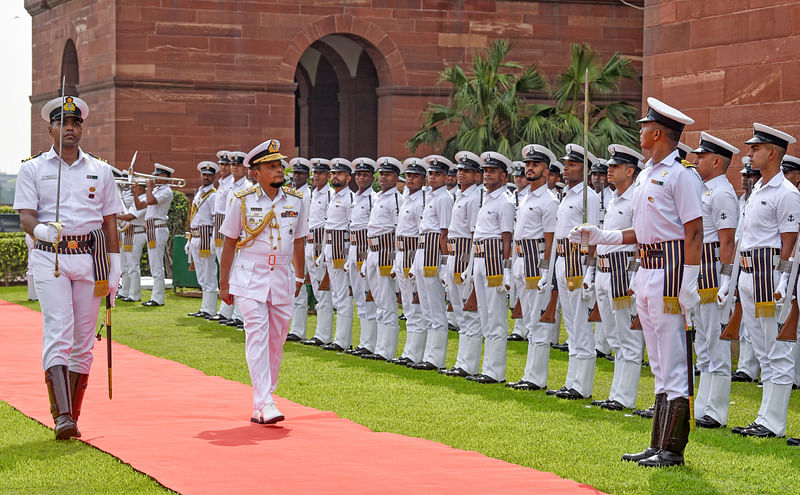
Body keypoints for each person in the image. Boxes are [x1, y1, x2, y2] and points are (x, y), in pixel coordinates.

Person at [573, 97, 702, 467]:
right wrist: (600, 235)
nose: (640, 130)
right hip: (646, 269)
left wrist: (689, 282)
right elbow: (642, 233)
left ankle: (673, 449)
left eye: (645, 126)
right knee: (659, 363)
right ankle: (657, 443)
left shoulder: (681, 174)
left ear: (658, 133)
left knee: (674, 361)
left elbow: (693, 231)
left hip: (670, 273)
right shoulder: (647, 173)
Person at [14, 95, 122, 439]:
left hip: (91, 259)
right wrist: (41, 230)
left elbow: (109, 222)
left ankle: (73, 414)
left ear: (82, 128)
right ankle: (61, 416)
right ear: (51, 129)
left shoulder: (101, 170)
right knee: (59, 329)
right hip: (51, 257)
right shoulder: (32, 168)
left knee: (84, 339)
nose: (70, 129)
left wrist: (115, 266)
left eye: (76, 123)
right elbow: (26, 217)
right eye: (63, 123)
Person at [218, 139, 306, 424]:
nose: (279, 170)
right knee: (257, 334)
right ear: (255, 173)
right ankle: (264, 401)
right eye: (272, 166)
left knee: (277, 339)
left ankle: (266, 396)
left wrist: (300, 274)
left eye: (280, 165)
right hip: (249, 275)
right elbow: (229, 243)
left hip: (281, 276)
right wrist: (224, 283)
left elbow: (299, 240)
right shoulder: (241, 201)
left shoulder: (296, 200)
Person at [730, 123, 800, 439]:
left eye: (756, 148)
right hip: (749, 274)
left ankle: (774, 422)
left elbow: (790, 242)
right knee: (762, 351)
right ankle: (764, 418)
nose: (750, 152)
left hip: (769, 277)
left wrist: (784, 281)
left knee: (778, 350)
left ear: (772, 153)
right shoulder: (759, 188)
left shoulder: (786, 193)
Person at [689, 133, 739, 429]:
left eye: (702, 157)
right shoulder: (706, 189)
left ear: (717, 161)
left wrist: (725, 282)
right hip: (701, 271)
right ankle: (703, 405)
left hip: (714, 274)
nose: (696, 161)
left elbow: (728, 241)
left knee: (716, 344)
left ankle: (716, 411)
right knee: (704, 344)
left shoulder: (721, 192)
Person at [588, 144, 644, 410]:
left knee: (627, 336)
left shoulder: (637, 198)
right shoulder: (612, 198)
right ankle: (615, 393)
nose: (609, 170)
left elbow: (643, 239)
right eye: (609, 166)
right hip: (604, 268)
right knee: (612, 335)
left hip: (623, 269)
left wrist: (634, 274)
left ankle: (625, 397)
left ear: (630, 171)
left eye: (615, 167)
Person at [547, 143, 601, 400]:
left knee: (580, 322)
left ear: (585, 168)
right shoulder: (567, 195)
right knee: (570, 323)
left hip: (576, 260)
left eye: (572, 164)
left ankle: (582, 385)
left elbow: (592, 238)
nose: (566, 168)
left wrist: (589, 272)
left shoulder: (588, 196)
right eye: (565, 163)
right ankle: (571, 381)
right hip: (562, 257)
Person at [505, 144, 559, 390]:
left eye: (535, 165)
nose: (530, 168)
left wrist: (547, 271)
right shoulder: (525, 195)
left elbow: (550, 238)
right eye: (528, 164)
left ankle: (536, 378)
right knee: (528, 320)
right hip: (520, 259)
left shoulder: (549, 200)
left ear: (546, 172)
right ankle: (529, 375)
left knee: (538, 321)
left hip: (535, 261)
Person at [466, 151, 516, 384]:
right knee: (484, 315)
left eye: (492, 171)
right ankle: (486, 368)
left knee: (495, 316)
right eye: (485, 171)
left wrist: (506, 269)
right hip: (478, 257)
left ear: (503, 176)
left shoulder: (505, 201)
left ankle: (495, 371)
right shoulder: (484, 199)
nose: (487, 175)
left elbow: (507, 238)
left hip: (494, 259)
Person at [409, 155, 454, 371]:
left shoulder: (444, 198)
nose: (433, 178)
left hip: (433, 248)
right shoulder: (430, 196)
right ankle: (426, 354)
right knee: (425, 306)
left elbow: (445, 233)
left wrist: (444, 264)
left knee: (436, 307)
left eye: (437, 174)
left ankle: (436, 358)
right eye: (431, 174)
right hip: (421, 247)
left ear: (446, 177)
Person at [440, 151, 483, 377]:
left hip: (466, 252)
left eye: (467, 171)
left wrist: (470, 266)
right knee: (458, 309)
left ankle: (469, 364)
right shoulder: (459, 195)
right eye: (460, 170)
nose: (461, 174)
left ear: (477, 175)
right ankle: (461, 362)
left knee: (468, 310)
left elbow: (476, 233)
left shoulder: (475, 197)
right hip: (454, 253)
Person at [361, 157, 403, 361]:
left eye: (388, 174)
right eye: (382, 174)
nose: (383, 177)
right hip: (372, 250)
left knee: (387, 301)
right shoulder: (378, 197)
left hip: (386, 251)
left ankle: (386, 349)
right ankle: (378, 346)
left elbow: (398, 230)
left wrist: (396, 261)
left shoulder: (397, 199)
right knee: (378, 300)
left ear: (396, 177)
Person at [390, 157, 427, 365]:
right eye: (409, 176)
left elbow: (421, 234)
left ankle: (415, 353)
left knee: (415, 304)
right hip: (401, 252)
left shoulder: (422, 201)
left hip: (414, 253)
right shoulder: (407, 199)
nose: (410, 180)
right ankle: (408, 351)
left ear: (423, 179)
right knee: (407, 305)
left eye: (415, 176)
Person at [319, 158, 355, 351]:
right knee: (334, 294)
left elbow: (351, 227)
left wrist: (349, 255)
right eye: (333, 173)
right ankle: (338, 338)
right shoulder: (333, 197)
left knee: (342, 295)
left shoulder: (350, 198)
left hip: (341, 248)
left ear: (348, 178)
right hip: (330, 247)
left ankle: (342, 340)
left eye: (339, 174)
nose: (335, 176)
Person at [344, 158, 378, 355]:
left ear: (372, 177)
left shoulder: (374, 198)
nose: (361, 178)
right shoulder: (354, 197)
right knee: (358, 296)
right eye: (359, 174)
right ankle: (363, 342)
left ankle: (369, 344)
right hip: (353, 247)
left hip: (367, 247)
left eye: (365, 175)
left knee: (368, 296)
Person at [732, 157, 761, 383]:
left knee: (760, 322)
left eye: (750, 176)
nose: (745, 180)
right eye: (743, 175)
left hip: (761, 266)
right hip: (740, 263)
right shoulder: (741, 201)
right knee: (743, 319)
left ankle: (757, 368)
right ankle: (745, 367)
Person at [301, 159, 334, 346]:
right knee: (315, 287)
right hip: (310, 241)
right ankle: (320, 333)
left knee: (323, 291)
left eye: (320, 173)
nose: (316, 176)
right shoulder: (313, 194)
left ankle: (324, 335)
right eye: (315, 173)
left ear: (328, 176)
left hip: (321, 243)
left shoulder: (329, 194)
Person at [135, 162, 174, 307]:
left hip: (158, 228)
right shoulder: (157, 190)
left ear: (165, 177)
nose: (154, 178)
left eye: (157, 175)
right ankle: (156, 297)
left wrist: (149, 188)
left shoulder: (166, 191)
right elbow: (140, 206)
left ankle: (158, 298)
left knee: (157, 265)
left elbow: (151, 201)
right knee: (154, 264)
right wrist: (135, 193)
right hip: (151, 229)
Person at [186, 161, 219, 318]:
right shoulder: (199, 193)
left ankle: (210, 309)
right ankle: (204, 307)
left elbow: (215, 219)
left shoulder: (213, 195)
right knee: (201, 275)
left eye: (209, 175)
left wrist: (214, 239)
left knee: (209, 273)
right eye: (204, 174)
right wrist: (189, 239)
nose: (206, 177)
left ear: (214, 176)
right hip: (195, 235)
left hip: (207, 236)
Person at [222, 151, 251, 328]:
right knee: (232, 276)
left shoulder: (247, 187)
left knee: (242, 277)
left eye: (238, 165)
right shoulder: (229, 187)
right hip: (229, 234)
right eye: (233, 164)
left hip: (243, 238)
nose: (234, 167)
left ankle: (240, 314)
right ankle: (232, 312)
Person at [287, 157, 312, 341]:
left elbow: (307, 221)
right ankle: (293, 327)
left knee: (299, 285)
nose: (297, 176)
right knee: (292, 286)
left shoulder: (307, 194)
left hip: (302, 242)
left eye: (301, 173)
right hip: (289, 241)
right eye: (295, 173)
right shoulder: (291, 192)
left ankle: (298, 330)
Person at [208, 150, 234, 323]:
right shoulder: (222, 183)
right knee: (222, 268)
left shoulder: (232, 183)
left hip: (226, 224)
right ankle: (225, 309)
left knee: (230, 271)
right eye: (222, 164)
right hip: (218, 225)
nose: (223, 167)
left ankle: (230, 310)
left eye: (227, 164)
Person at [116, 183, 147, 302]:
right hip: (128, 233)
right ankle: (125, 291)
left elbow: (131, 217)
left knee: (133, 265)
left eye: (136, 187)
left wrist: (117, 217)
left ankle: (135, 294)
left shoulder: (144, 200)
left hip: (136, 233)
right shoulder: (137, 200)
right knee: (124, 265)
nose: (133, 189)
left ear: (142, 188)